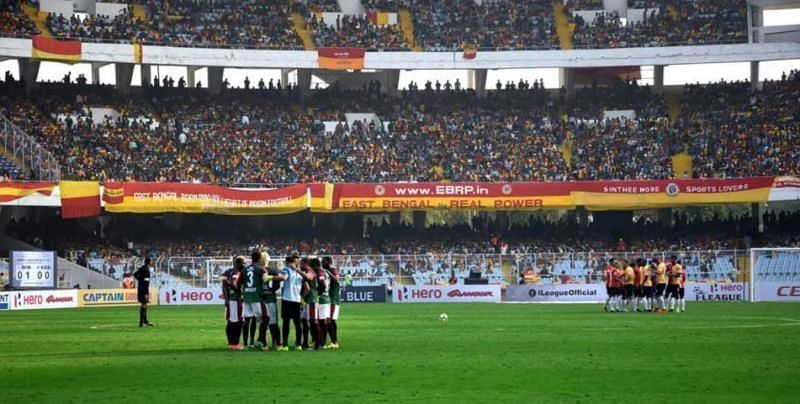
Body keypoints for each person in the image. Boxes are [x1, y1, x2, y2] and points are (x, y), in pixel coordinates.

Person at [241, 250, 270, 350]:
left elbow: (238, 283)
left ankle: (245, 345)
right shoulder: (261, 269)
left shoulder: (244, 270)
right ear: (259, 259)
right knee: (264, 318)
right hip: (257, 297)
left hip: (246, 298)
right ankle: (261, 342)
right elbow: (266, 281)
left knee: (247, 320)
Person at [279, 254, 304, 351]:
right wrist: (301, 298)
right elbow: (306, 287)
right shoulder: (300, 273)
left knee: (286, 323)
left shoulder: (286, 269)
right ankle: (298, 345)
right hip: (297, 300)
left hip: (287, 299)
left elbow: (284, 278)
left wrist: (273, 277)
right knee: (298, 323)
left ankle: (285, 345)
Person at [262, 253, 287, 350]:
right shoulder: (272, 270)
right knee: (273, 322)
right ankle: (276, 342)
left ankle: (264, 344)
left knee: (262, 323)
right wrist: (273, 289)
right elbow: (279, 282)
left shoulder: (257, 270)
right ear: (267, 260)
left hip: (260, 300)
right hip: (270, 299)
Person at [222, 256, 245, 349]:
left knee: (231, 321)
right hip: (236, 299)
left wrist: (226, 300)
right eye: (242, 262)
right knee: (237, 322)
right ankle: (235, 343)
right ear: (236, 263)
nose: (244, 264)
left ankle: (230, 343)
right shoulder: (237, 272)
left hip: (231, 299)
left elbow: (223, 287)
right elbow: (235, 285)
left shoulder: (227, 272)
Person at [299, 258, 319, 350]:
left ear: (306, 264)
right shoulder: (306, 272)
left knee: (312, 321)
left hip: (311, 300)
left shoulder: (310, 271)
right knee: (304, 321)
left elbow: (308, 285)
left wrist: (302, 298)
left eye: (301, 264)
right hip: (307, 301)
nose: (300, 265)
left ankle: (317, 343)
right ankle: (306, 342)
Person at [323, 256, 340, 349]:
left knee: (330, 320)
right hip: (329, 299)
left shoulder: (333, 270)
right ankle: (333, 341)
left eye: (324, 262)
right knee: (330, 320)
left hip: (333, 299)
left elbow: (337, 280)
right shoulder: (327, 271)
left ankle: (334, 342)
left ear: (328, 262)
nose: (322, 264)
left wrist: (328, 272)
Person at [314, 258, 330, 349]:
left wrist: (319, 294)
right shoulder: (325, 272)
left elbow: (323, 284)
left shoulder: (320, 272)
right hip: (326, 298)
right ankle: (322, 342)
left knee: (321, 322)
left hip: (322, 299)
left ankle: (322, 342)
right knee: (323, 321)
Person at [133, 257, 153, 327]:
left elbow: (135, 274)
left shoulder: (143, 267)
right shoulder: (146, 270)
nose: (152, 262)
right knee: (144, 304)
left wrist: (140, 280)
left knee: (144, 304)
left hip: (140, 288)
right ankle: (141, 323)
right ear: (149, 262)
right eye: (151, 261)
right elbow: (146, 282)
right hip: (144, 289)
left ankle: (145, 321)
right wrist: (146, 293)